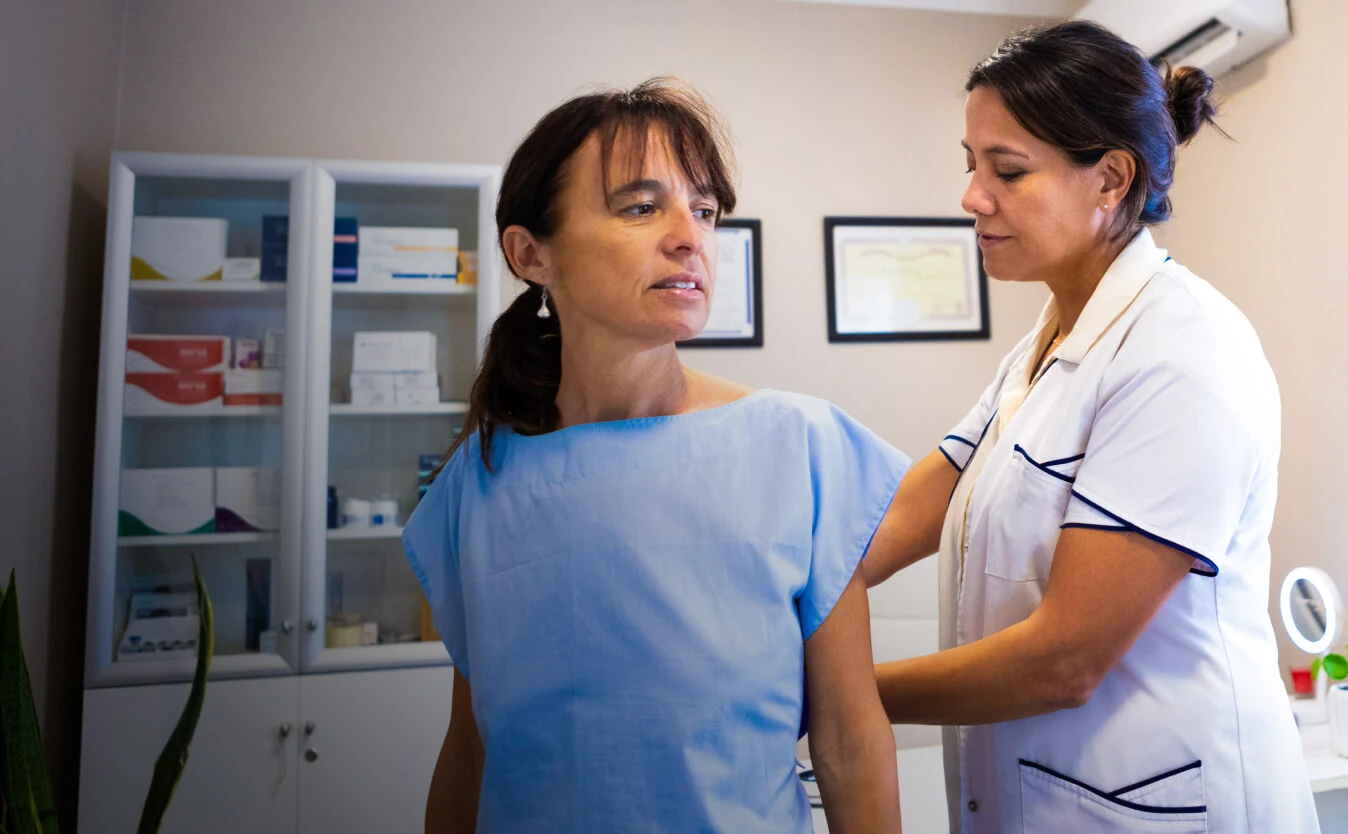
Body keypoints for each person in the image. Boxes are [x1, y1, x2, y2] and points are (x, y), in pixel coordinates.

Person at [403, 79, 906, 833]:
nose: (690, 236)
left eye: (703, 210)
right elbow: (471, 753)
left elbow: (849, 745)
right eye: (641, 207)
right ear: (529, 253)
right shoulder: (476, 486)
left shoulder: (797, 449)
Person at [861, 20, 1319, 833]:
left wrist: (840, 694)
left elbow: (1066, 659)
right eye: (972, 166)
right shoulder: (1049, 344)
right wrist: (769, 586)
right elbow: (911, 510)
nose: (972, 196)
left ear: (1110, 178)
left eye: (1007, 170)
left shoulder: (1185, 355)